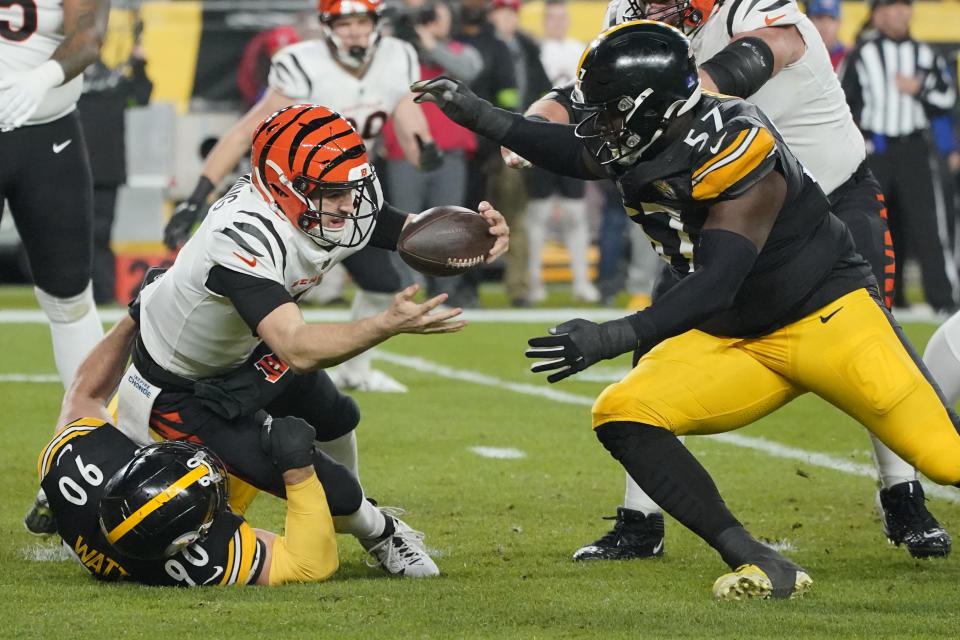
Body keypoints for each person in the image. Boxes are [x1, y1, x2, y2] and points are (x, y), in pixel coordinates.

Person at [413, 20, 960, 600]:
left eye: (610, 111)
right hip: (735, 338)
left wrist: (611, 336)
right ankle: (758, 561)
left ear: (652, 108)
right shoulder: (649, 128)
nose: (598, 124)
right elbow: (578, 153)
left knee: (945, 459)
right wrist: (479, 114)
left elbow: (717, 282)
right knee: (623, 412)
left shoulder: (737, 145)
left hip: (825, 319)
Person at [120, 104, 508, 578]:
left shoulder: (318, 208)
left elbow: (409, 230)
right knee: (333, 492)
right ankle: (378, 529)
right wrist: (385, 323)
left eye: (351, 187)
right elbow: (296, 346)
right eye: (334, 192)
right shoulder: (241, 236)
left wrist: (477, 236)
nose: (350, 204)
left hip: (246, 345)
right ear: (287, 187)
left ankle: (359, 504)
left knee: (338, 415)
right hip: (187, 389)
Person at [164, 0, 442, 394]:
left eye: (362, 20)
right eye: (345, 23)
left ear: (377, 22)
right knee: (270, 293)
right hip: (295, 198)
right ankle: (235, 369)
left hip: (352, 197)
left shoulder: (398, 57)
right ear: (327, 25)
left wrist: (427, 152)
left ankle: (355, 373)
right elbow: (246, 132)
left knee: (381, 281)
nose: (355, 31)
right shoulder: (302, 63)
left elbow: (414, 135)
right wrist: (197, 195)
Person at [38, 314, 350, 586]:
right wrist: (298, 470)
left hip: (84, 501)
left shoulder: (69, 468)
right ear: (190, 541)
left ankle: (50, 504)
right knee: (244, 440)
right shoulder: (200, 561)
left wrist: (134, 317)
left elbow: (84, 392)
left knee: (139, 394)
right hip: (105, 511)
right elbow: (311, 565)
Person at [2, 0, 111, 534]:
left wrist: (41, 76)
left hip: (48, 134)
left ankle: (88, 468)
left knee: (69, 296)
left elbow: (89, 36)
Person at [841, 0, 959, 315]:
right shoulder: (862, 53)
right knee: (874, 224)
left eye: (905, 6)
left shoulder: (925, 54)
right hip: (875, 148)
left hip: (913, 147)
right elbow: (845, 100)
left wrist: (918, 90)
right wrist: (861, 140)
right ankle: (876, 295)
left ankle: (943, 300)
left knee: (927, 223)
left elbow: (947, 97)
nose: (900, 13)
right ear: (878, 13)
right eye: (892, 6)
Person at [380, 0, 482, 298]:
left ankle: (446, 290)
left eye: (437, 15)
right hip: (405, 153)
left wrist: (431, 43)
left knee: (451, 225)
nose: (433, 20)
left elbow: (469, 71)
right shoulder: (399, 57)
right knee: (405, 225)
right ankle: (410, 289)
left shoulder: (461, 52)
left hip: (451, 156)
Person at [522, 0, 599, 305]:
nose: (556, 22)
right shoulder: (535, 52)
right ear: (544, 20)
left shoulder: (580, 50)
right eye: (551, 17)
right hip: (541, 141)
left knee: (575, 214)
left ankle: (582, 282)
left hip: (572, 140)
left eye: (560, 17)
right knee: (537, 215)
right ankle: (534, 282)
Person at [78, 36, 154, 305]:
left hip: (101, 170)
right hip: (78, 168)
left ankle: (100, 292)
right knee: (78, 233)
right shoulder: (73, 78)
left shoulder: (113, 80)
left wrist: (141, 63)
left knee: (98, 234)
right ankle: (81, 291)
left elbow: (142, 96)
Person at [806, 0, 846, 70]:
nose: (825, 26)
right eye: (819, 18)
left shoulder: (848, 58)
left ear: (839, 22)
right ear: (808, 21)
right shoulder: (797, 57)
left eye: (831, 18)